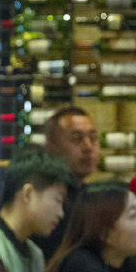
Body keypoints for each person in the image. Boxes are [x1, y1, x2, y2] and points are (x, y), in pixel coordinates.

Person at [34, 105, 100, 259]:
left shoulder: (87, 194)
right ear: (52, 146)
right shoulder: (48, 201)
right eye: (77, 138)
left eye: (93, 138)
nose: (88, 147)